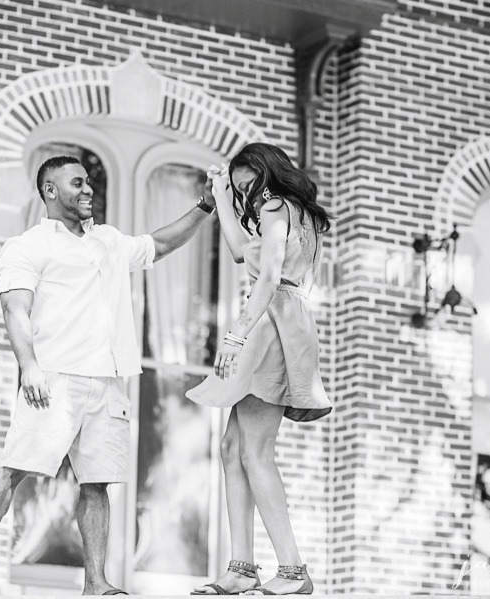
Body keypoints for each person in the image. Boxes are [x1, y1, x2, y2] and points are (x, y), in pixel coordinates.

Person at [0, 155, 219, 596]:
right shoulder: (28, 245)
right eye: (78, 182)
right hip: (53, 380)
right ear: (51, 191)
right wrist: (29, 365)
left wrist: (205, 206)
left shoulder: (109, 242)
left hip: (107, 382)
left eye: (89, 181)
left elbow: (160, 244)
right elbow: (15, 307)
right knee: (13, 469)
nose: (88, 188)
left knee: (97, 484)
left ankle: (96, 582)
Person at [186, 143, 333, 596]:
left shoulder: (275, 206)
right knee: (234, 447)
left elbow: (267, 277)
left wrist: (236, 335)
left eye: (250, 184)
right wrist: (220, 192)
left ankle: (292, 570)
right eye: (242, 188)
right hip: (286, 318)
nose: (249, 194)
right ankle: (242, 568)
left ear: (269, 173)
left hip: (270, 321)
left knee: (255, 451)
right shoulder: (296, 212)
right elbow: (238, 251)